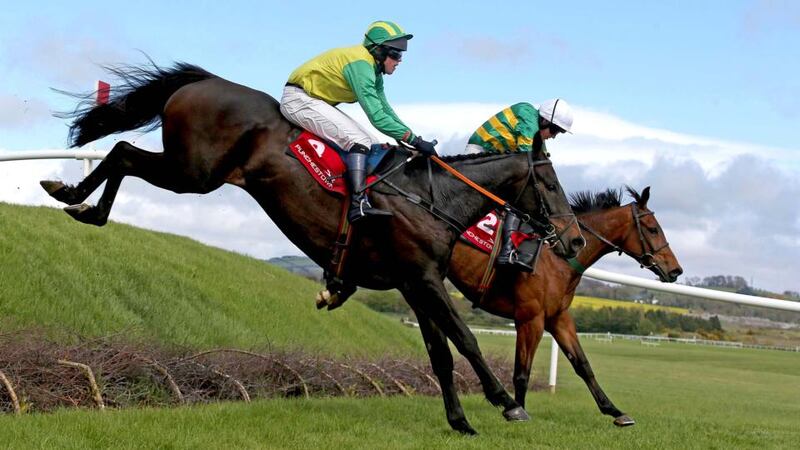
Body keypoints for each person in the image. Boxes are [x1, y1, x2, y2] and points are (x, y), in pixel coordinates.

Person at [280, 20, 437, 223]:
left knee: (371, 143)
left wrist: (413, 138)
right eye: (395, 54)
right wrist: (415, 141)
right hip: (298, 100)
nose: (399, 60)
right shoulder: (361, 65)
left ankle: (362, 197)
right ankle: (357, 204)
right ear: (379, 51)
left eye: (401, 55)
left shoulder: (373, 70)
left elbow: (386, 110)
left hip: (313, 101)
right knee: (359, 141)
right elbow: (377, 117)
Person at [465, 99, 574, 271]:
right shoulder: (527, 116)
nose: (553, 136)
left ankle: (511, 247)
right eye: (554, 130)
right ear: (544, 120)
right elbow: (527, 158)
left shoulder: (537, 131)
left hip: (497, 160)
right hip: (480, 152)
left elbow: (542, 164)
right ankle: (507, 249)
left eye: (558, 133)